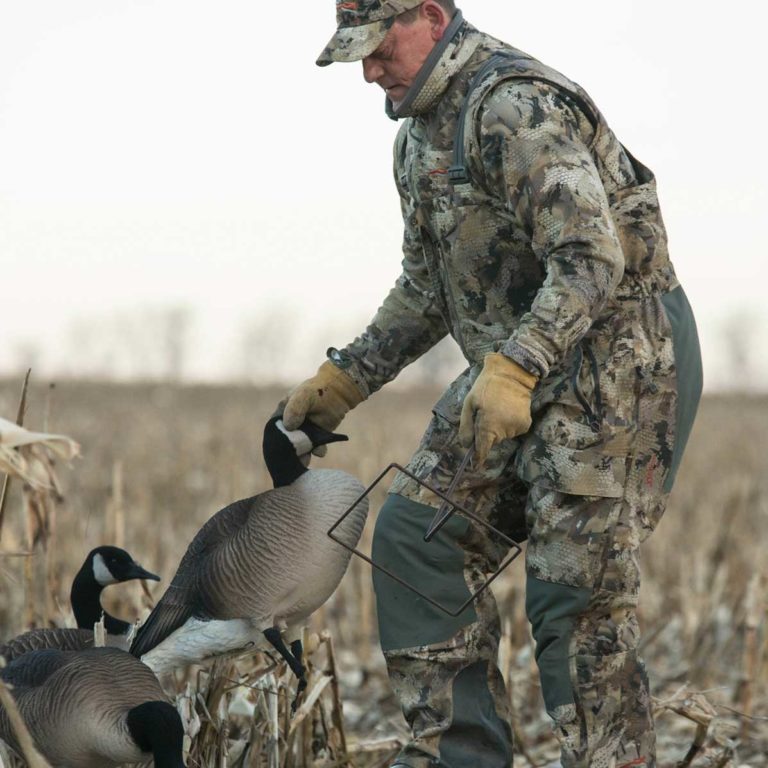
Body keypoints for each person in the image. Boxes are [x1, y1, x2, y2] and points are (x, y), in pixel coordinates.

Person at [279, 2, 703, 766]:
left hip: (618, 367)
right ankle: (458, 754)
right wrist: (346, 378)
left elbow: (590, 256)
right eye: (356, 55)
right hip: (513, 366)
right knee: (416, 533)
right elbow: (428, 288)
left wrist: (515, 366)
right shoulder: (417, 138)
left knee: (574, 595)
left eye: (378, 47)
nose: (369, 69)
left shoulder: (514, 104)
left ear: (432, 16)